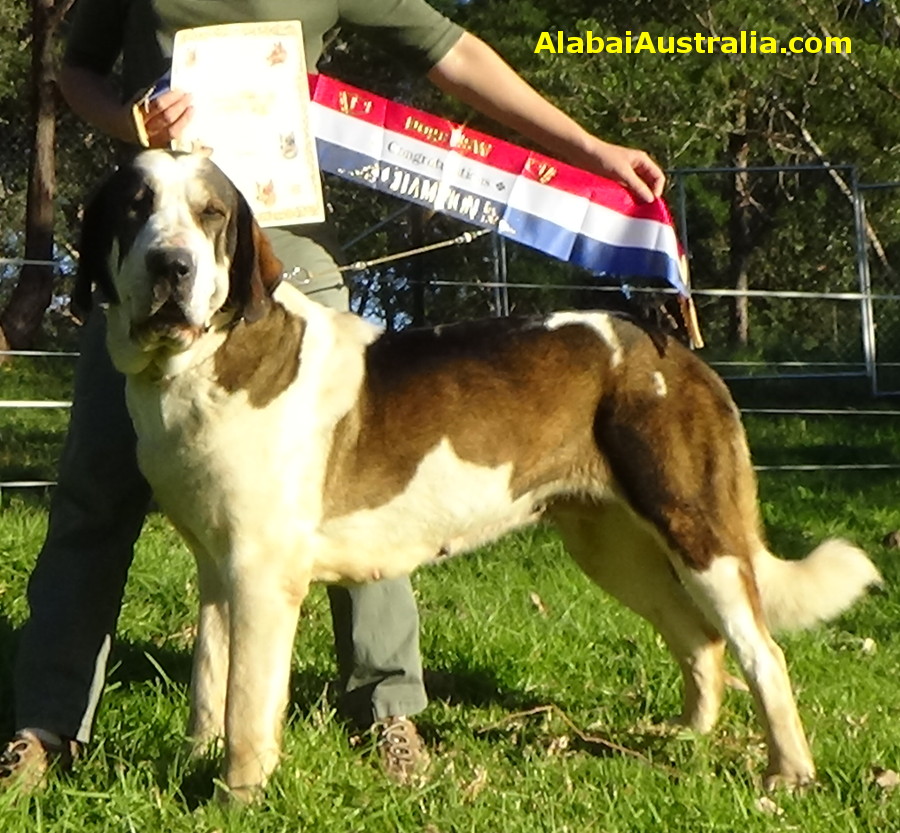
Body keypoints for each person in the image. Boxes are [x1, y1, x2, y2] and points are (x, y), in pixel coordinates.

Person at [0, 0, 665, 792]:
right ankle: (44, 727)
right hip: (154, 263)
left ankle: (386, 712)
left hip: (289, 266)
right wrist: (130, 119)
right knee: (93, 499)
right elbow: (76, 74)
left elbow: (451, 54)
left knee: (371, 485)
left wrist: (588, 148)